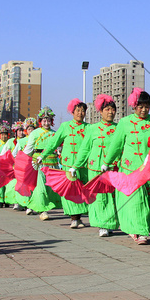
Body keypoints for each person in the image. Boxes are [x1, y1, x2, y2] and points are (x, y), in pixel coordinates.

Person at [107, 88, 150, 244]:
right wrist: (107, 162)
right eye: (140, 106)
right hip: (130, 169)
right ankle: (141, 232)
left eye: (147, 106)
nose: (144, 110)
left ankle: (138, 228)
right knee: (136, 201)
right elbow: (116, 145)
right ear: (134, 106)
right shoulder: (125, 123)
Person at [71, 95, 119, 237]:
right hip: (94, 168)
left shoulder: (119, 128)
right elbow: (85, 149)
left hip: (112, 169)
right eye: (107, 109)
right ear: (100, 111)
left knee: (112, 197)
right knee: (98, 198)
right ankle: (101, 225)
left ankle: (110, 223)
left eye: (113, 109)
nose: (110, 112)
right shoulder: (92, 129)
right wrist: (75, 166)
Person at [39, 99, 89, 228]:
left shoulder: (89, 128)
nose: (80, 113)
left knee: (83, 190)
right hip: (68, 164)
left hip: (84, 164)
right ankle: (74, 218)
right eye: (78, 110)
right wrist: (42, 155)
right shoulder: (65, 126)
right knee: (71, 191)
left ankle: (78, 217)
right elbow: (54, 142)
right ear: (72, 112)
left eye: (83, 111)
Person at [25, 107, 63, 219]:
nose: (46, 123)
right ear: (40, 122)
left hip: (53, 163)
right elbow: (28, 149)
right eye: (44, 120)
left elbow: (59, 148)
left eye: (48, 120)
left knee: (50, 188)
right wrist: (23, 161)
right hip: (38, 162)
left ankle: (37, 205)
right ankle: (42, 210)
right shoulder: (35, 133)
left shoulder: (55, 133)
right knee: (40, 186)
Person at [10, 117, 37, 211]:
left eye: (33, 129)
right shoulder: (21, 141)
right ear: (26, 130)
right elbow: (14, 154)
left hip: (34, 165)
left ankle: (31, 205)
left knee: (34, 185)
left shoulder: (38, 139)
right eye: (29, 129)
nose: (31, 131)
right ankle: (21, 203)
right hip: (24, 165)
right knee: (23, 184)